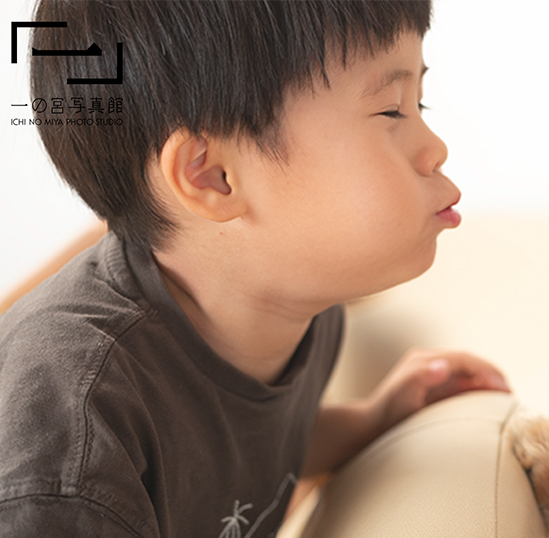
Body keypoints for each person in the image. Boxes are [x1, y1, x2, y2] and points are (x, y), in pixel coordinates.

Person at [0, 1, 509, 536]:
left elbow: (237, 449)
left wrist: (371, 420)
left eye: (420, 103)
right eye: (391, 111)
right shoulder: (70, 434)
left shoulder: (293, 307)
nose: (437, 149)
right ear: (213, 176)